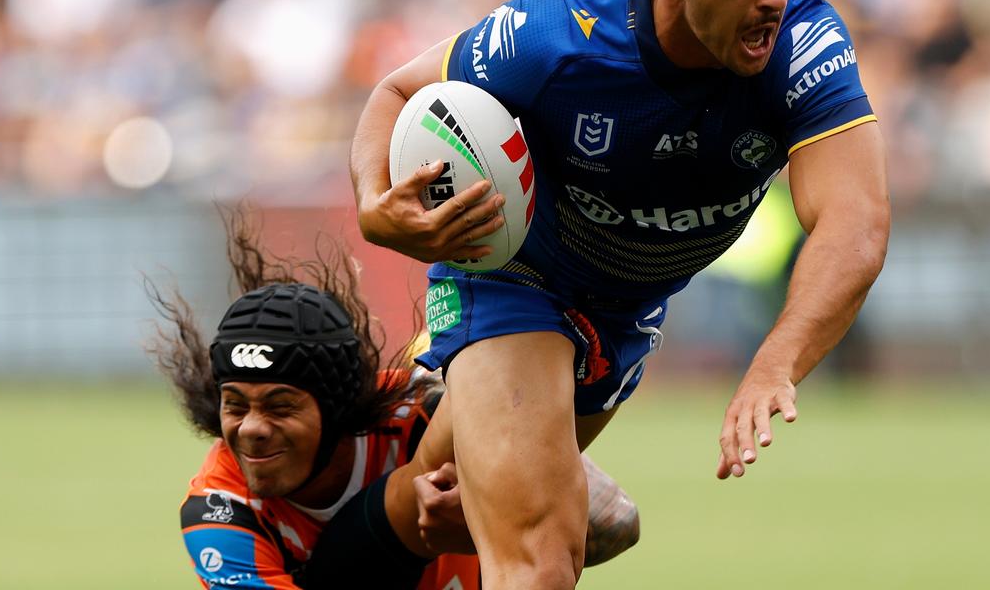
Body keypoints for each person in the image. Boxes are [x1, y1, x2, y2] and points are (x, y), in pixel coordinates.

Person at [349, 0, 890, 590]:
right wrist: (378, 212)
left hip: (629, 314)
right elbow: (394, 92)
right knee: (542, 561)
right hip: (518, 279)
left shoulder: (804, 44)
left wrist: (775, 363)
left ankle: (350, 499)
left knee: (441, 506)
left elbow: (856, 222)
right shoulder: (557, 37)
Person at [150, 213, 640, 589]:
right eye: (235, 405)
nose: (251, 428)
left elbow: (616, 521)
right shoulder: (220, 506)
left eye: (280, 407)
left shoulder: (424, 410)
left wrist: (491, 510)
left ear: (337, 408)